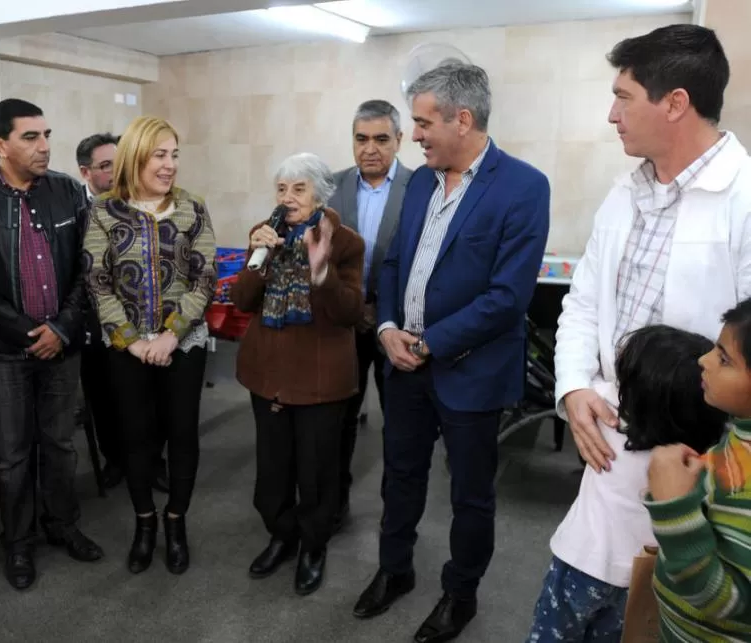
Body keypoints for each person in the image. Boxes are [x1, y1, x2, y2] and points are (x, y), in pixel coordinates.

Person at [352, 62, 550, 643]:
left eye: (421, 122)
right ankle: (395, 572)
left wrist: (429, 341)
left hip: (470, 372)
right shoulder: (419, 182)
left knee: (469, 495)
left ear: (462, 120)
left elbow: (508, 297)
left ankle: (459, 594)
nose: (413, 136)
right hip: (404, 366)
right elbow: (392, 263)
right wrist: (387, 326)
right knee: (400, 478)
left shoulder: (523, 186)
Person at [555, 24, 751, 477]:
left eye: (624, 97)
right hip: (608, 434)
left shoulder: (742, 197)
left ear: (675, 103)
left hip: (704, 457)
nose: (612, 114)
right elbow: (583, 305)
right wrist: (573, 387)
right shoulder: (624, 194)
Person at [0, 99, 103, 592]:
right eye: (30, 137)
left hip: (62, 343)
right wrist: (25, 331)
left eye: (46, 134)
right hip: (2, 350)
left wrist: (62, 326)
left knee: (59, 443)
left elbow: (87, 265)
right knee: (11, 453)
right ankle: (18, 542)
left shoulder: (67, 191)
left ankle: (62, 523)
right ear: (0, 144)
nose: (45, 146)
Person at [527, 325, 727, 641]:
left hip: (581, 561)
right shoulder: (700, 452)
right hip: (642, 575)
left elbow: (578, 386)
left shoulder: (607, 411)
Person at [84, 115, 216, 575]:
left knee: (181, 435)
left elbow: (204, 279)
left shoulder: (193, 208)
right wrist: (132, 342)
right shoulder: (103, 210)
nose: (169, 165)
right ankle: (144, 523)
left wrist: (170, 335)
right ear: (135, 157)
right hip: (126, 347)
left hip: (182, 343)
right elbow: (97, 282)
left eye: (174, 155)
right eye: (160, 155)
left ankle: (175, 521)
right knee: (135, 437)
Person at [231, 152, 364, 595]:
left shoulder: (345, 242)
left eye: (298, 189)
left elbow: (349, 312)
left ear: (320, 194)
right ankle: (282, 534)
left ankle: (313, 545)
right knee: (272, 470)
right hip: (267, 374)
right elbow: (243, 301)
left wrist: (320, 268)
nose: (287, 198)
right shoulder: (262, 234)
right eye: (281, 188)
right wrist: (259, 256)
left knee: (316, 472)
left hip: (320, 377)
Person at [643, 299, 751, 640]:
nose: (703, 361)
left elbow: (725, 599)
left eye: (724, 359)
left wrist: (674, 511)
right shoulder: (739, 436)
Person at [327, 99, 413, 529]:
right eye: (361, 139)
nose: (370, 149)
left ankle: (394, 514)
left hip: (395, 326)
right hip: (344, 327)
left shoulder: (422, 188)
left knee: (398, 429)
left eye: (381, 139)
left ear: (399, 140)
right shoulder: (333, 187)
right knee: (339, 421)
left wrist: (381, 312)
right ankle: (335, 504)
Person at [76, 132, 171, 493]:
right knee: (103, 396)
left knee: (150, 396)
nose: (115, 173)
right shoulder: (75, 209)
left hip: (143, 319)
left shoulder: (143, 202)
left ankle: (153, 462)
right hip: (94, 321)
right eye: (105, 166)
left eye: (119, 163)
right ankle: (115, 459)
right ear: (86, 173)